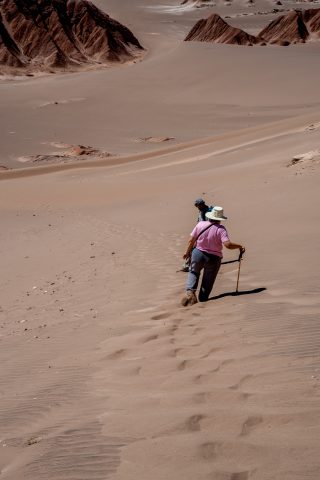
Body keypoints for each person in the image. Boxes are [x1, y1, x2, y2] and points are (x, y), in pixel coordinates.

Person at [181, 206, 245, 306]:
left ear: (210, 216)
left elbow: (191, 240)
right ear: (220, 219)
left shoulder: (200, 224)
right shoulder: (221, 229)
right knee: (208, 279)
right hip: (213, 258)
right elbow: (227, 245)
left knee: (193, 272)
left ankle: (190, 292)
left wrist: (187, 252)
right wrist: (239, 246)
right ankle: (203, 299)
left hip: (197, 253)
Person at [181, 197, 214, 272]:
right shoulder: (203, 210)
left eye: (197, 205)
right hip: (202, 233)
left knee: (193, 248)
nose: (197, 207)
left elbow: (204, 224)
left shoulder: (205, 212)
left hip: (202, 234)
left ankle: (187, 265)